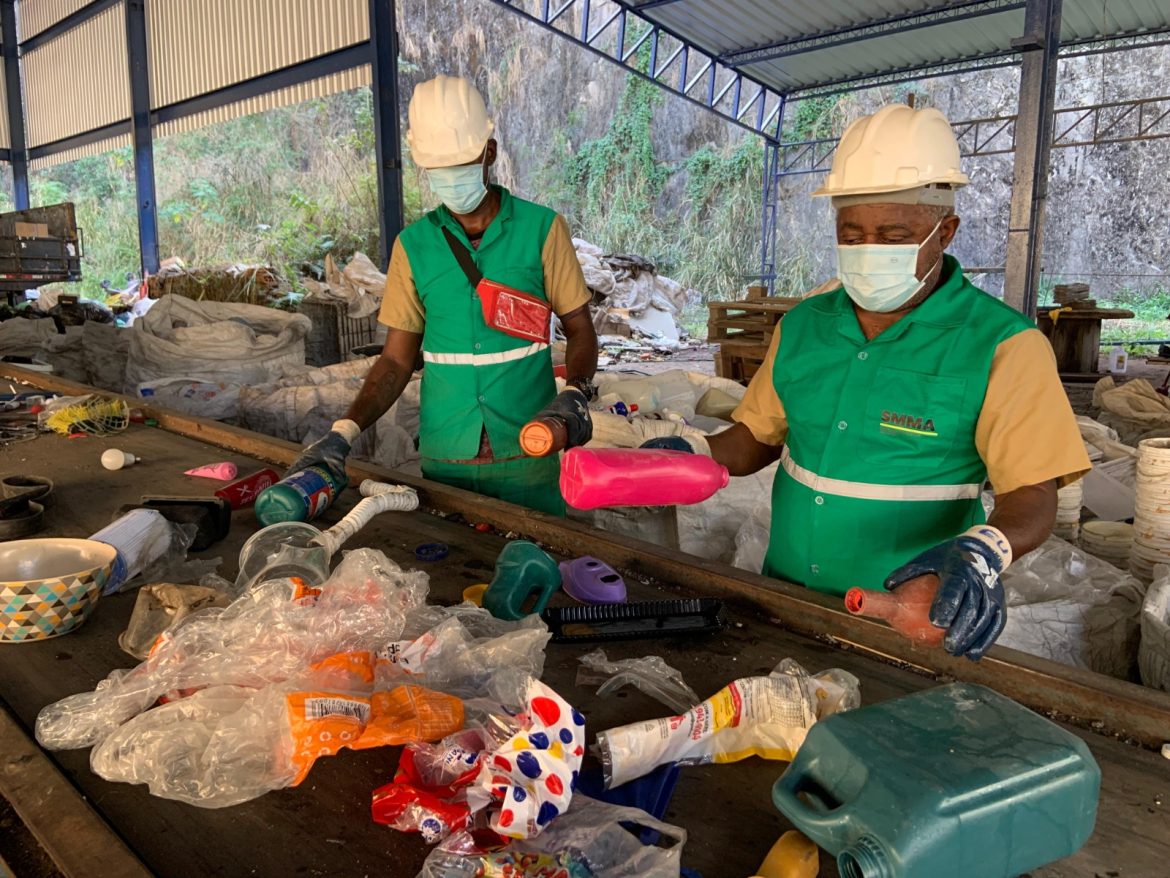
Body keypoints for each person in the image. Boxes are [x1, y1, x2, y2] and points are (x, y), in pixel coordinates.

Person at [649, 104, 1090, 660]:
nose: (867, 251)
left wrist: (981, 552)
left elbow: (1031, 492)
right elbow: (756, 437)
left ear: (944, 231)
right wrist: (692, 452)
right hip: (783, 597)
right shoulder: (805, 325)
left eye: (892, 235)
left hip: (903, 614)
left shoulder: (1003, 345)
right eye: (851, 233)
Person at [288, 75, 598, 515]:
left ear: (488, 152)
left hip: (531, 451)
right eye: (440, 170)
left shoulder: (543, 230)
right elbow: (396, 361)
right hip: (446, 457)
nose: (452, 179)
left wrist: (576, 393)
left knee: (538, 568)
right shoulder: (413, 247)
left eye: (461, 165)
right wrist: (343, 432)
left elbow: (581, 329)